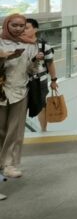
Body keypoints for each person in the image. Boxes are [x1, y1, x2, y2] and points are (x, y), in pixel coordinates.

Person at [0, 14, 37, 179]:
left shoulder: (30, 45)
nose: (18, 28)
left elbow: (31, 70)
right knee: (1, 129)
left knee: (15, 131)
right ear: (7, 25)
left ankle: (10, 164)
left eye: (21, 25)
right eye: (14, 25)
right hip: (1, 90)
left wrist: (36, 61)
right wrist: (3, 58)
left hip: (20, 90)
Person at [24, 19, 58, 132]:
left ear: (35, 29)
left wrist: (54, 80)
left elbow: (50, 63)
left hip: (40, 80)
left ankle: (44, 131)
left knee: (41, 106)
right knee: (21, 107)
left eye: (27, 27)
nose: (23, 30)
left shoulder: (44, 45)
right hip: (22, 80)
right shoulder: (18, 44)